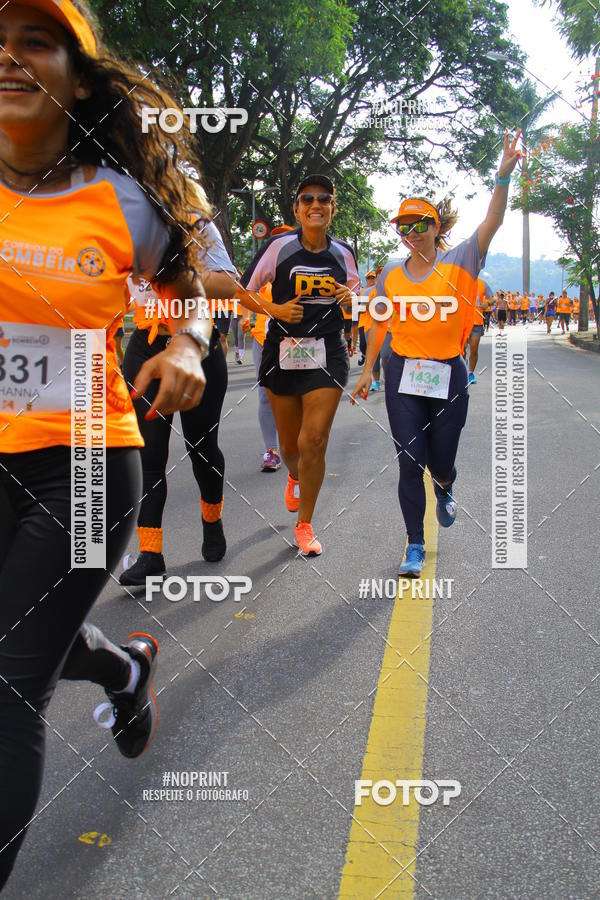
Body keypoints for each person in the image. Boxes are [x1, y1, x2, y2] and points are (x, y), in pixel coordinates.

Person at [0, 0, 212, 888]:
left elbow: (192, 284)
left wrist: (186, 343)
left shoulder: (123, 200)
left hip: (87, 463)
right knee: (22, 639)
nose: (9, 57)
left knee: (9, 686)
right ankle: (124, 671)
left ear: (78, 79)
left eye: (35, 42)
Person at [352, 130, 522, 576]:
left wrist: (502, 177)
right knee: (410, 461)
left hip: (448, 373)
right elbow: (378, 323)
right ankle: (414, 544)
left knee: (440, 461)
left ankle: (445, 484)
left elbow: (493, 221)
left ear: (436, 227)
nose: (411, 233)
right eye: (403, 227)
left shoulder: (460, 260)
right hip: (402, 373)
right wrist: (368, 370)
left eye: (420, 224)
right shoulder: (389, 273)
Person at [241, 174, 360, 557]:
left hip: (328, 352)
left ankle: (305, 524)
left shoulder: (343, 253)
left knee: (315, 440)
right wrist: (274, 309)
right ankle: (293, 474)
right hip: (282, 352)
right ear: (296, 209)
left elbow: (356, 296)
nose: (316, 205)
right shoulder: (278, 247)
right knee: (291, 446)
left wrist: (350, 299)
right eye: (307, 199)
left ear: (332, 208)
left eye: (324, 199)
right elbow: (242, 292)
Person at [120, 193, 236, 583]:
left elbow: (227, 283)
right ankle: (150, 554)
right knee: (149, 454)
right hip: (146, 345)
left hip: (197, 345)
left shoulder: (194, 222)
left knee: (201, 448)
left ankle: (212, 521)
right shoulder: (112, 219)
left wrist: (172, 272)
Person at [467, 278, 491, 384]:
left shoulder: (482, 283)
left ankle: (470, 373)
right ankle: (462, 371)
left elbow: (493, 298)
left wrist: (488, 303)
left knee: (474, 347)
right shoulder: (459, 279)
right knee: (461, 349)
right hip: (461, 321)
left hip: (476, 321)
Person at [357, 270, 376, 365]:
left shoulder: (378, 290)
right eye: (369, 278)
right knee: (363, 344)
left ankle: (372, 362)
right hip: (363, 321)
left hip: (375, 322)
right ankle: (364, 355)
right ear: (366, 280)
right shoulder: (362, 291)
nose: (371, 280)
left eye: (373, 278)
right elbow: (359, 307)